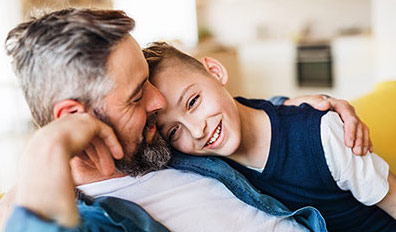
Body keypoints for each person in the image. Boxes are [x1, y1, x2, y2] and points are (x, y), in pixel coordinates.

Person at [0, 8, 372, 232]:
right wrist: (43, 152)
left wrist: (292, 109)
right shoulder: (95, 218)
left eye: (148, 80)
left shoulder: (157, 145)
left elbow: (221, 116)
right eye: (136, 95)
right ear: (71, 118)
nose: (157, 100)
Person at [144, 42, 396, 231]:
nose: (197, 130)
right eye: (174, 131)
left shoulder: (322, 132)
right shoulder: (204, 166)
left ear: (215, 71)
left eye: (193, 101)